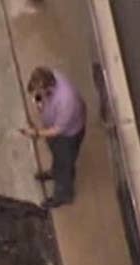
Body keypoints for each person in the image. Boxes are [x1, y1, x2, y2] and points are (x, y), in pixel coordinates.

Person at [19, 66, 86, 209]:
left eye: (39, 92)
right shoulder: (49, 80)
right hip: (50, 126)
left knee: (65, 164)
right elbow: (40, 99)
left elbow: (58, 130)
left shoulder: (67, 101)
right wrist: (39, 103)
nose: (37, 95)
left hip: (68, 136)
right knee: (56, 154)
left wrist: (36, 133)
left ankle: (63, 195)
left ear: (48, 87)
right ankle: (55, 172)